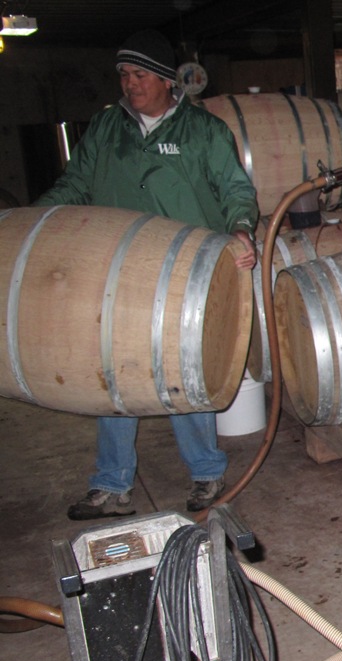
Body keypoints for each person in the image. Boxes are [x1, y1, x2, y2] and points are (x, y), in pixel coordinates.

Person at [35, 29, 260, 520]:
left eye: (139, 74)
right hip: (115, 268)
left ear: (164, 80)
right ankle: (111, 484)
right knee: (113, 373)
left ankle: (205, 472)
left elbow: (235, 191)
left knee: (186, 371)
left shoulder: (204, 132)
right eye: (123, 74)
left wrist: (241, 231)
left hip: (184, 270)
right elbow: (76, 183)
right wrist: (34, 223)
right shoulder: (104, 128)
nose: (129, 83)